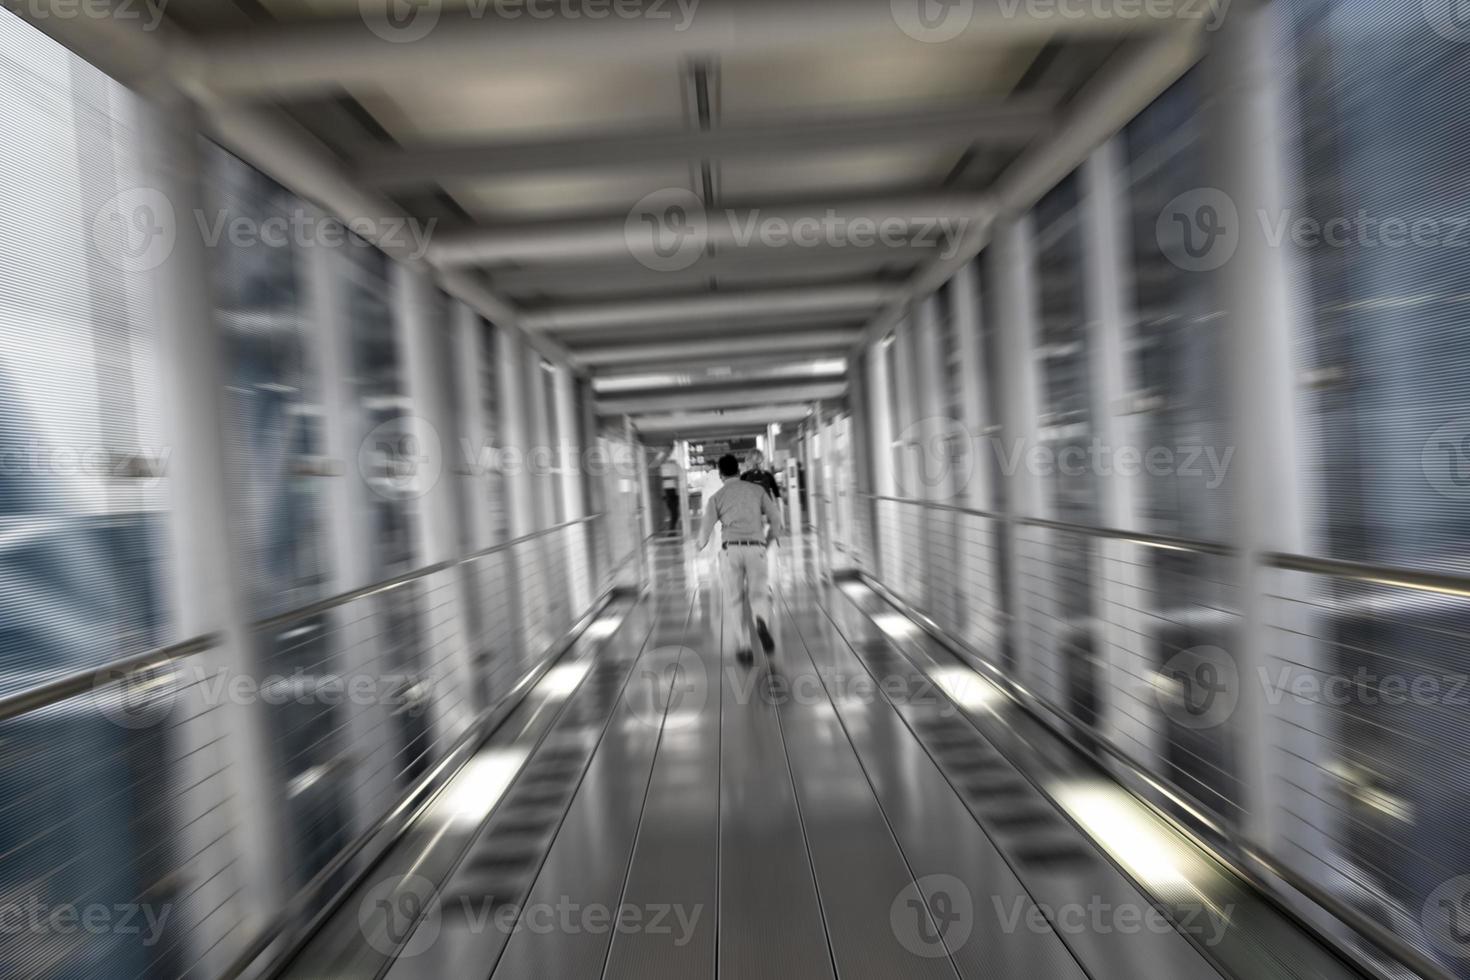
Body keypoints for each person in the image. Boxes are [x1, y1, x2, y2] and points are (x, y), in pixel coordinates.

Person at [698, 453, 783, 664]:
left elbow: (703, 536)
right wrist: (769, 540)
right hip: (756, 548)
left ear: (720, 474)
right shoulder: (757, 490)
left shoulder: (716, 497)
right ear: (738, 469)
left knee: (735, 599)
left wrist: (699, 546)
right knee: (759, 594)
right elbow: (776, 520)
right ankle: (761, 621)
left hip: (730, 551)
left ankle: (744, 645)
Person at [659, 455, 681, 533]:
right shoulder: (667, 474)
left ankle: (672, 529)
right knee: (674, 514)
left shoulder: (666, 471)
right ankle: (672, 529)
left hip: (671, 494)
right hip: (671, 494)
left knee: (674, 514)